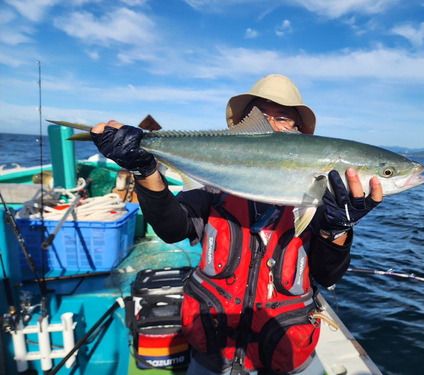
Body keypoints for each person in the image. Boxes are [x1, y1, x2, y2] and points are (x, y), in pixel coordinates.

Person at [91, 74, 383, 375]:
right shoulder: (213, 190)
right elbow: (172, 228)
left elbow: (327, 273)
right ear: (244, 126)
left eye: (283, 118)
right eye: (258, 117)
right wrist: (144, 169)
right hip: (213, 351)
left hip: (284, 351)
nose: (271, 125)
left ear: (300, 133)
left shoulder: (323, 202)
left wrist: (338, 228)